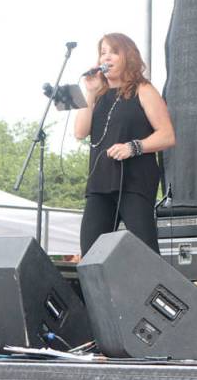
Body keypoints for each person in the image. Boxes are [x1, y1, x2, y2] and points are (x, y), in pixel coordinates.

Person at [74, 33, 175, 256]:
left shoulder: (144, 90)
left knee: (144, 251)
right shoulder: (99, 96)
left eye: (113, 52)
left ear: (127, 56)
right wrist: (89, 94)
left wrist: (133, 147)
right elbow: (80, 132)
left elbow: (167, 136)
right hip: (100, 182)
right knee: (91, 252)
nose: (106, 57)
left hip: (134, 181)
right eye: (103, 53)